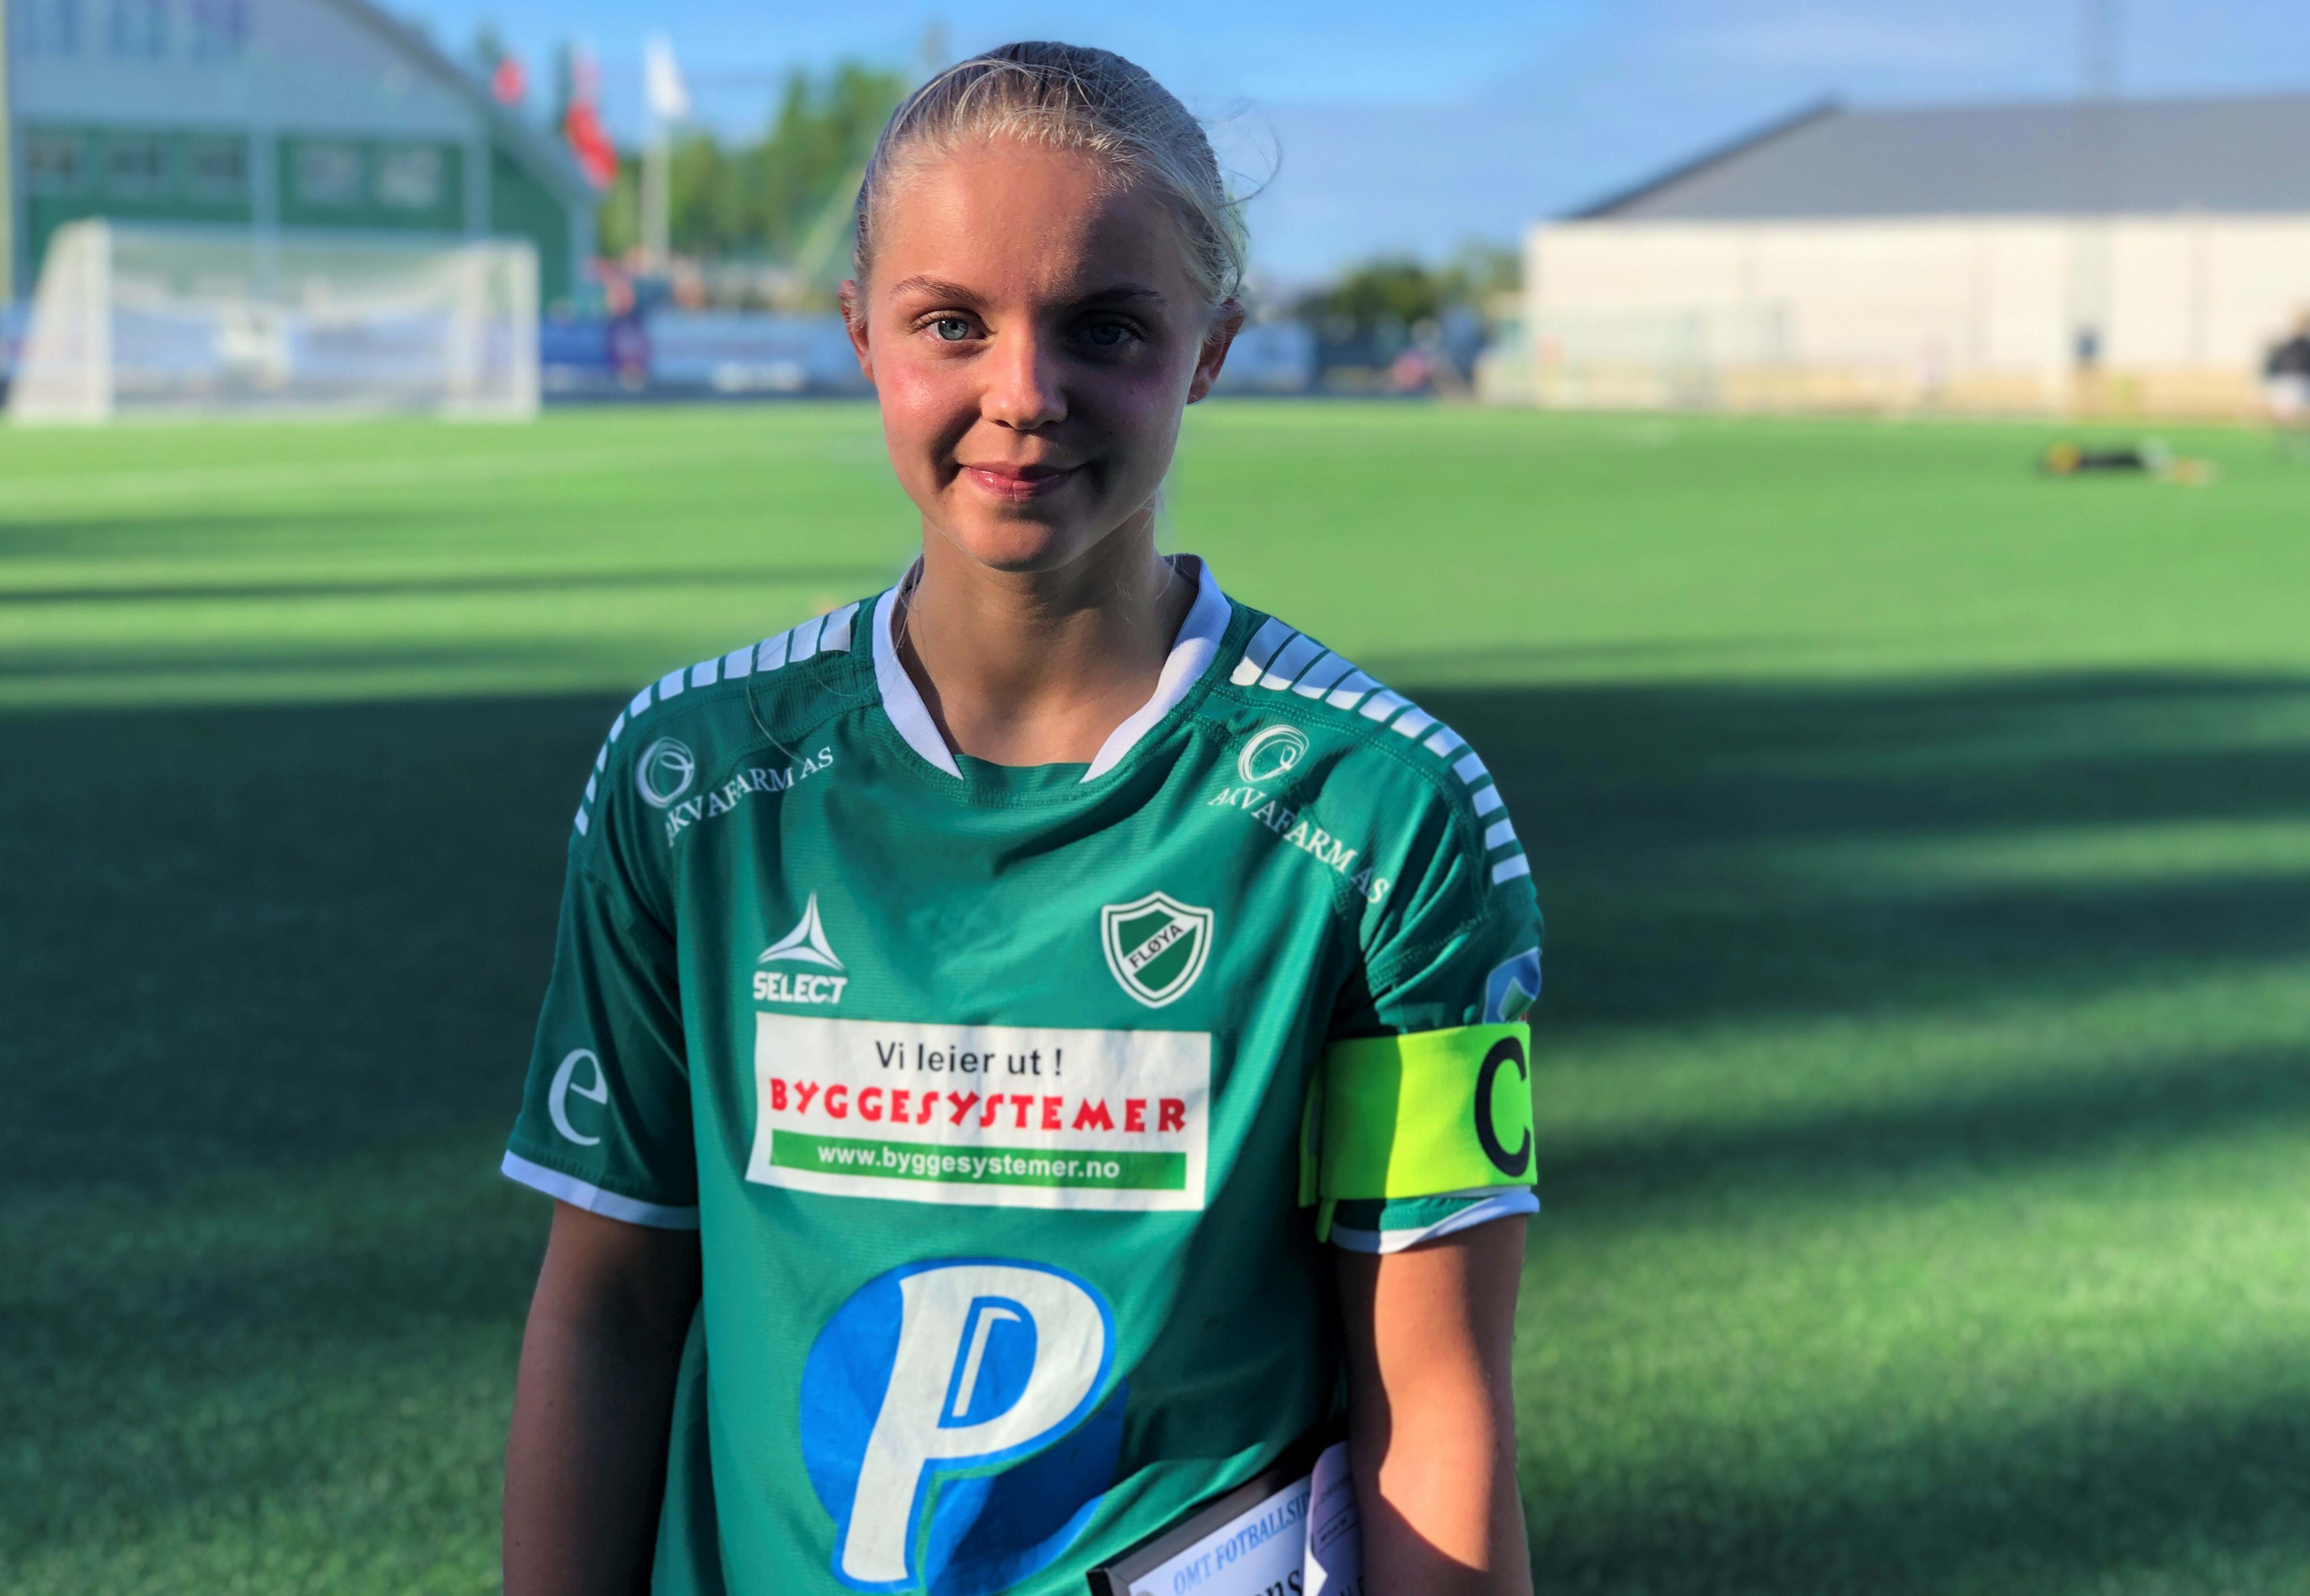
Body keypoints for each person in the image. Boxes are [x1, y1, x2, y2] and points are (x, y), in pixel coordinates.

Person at [500, 42, 1543, 1596]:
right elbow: (608, 1305)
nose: (1024, 394)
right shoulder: (691, 785)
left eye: (1105, 328)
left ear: (1209, 348)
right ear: (861, 332)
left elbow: (1434, 1396)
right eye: (951, 324)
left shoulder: (1382, 812)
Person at [2263, 310, 2310, 451]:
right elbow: (2275, 364)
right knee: (2285, 416)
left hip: (2301, 381)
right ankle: (2284, 443)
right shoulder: (2288, 345)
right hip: (2288, 382)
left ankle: (2298, 443)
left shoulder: (2304, 346)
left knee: (2300, 415)